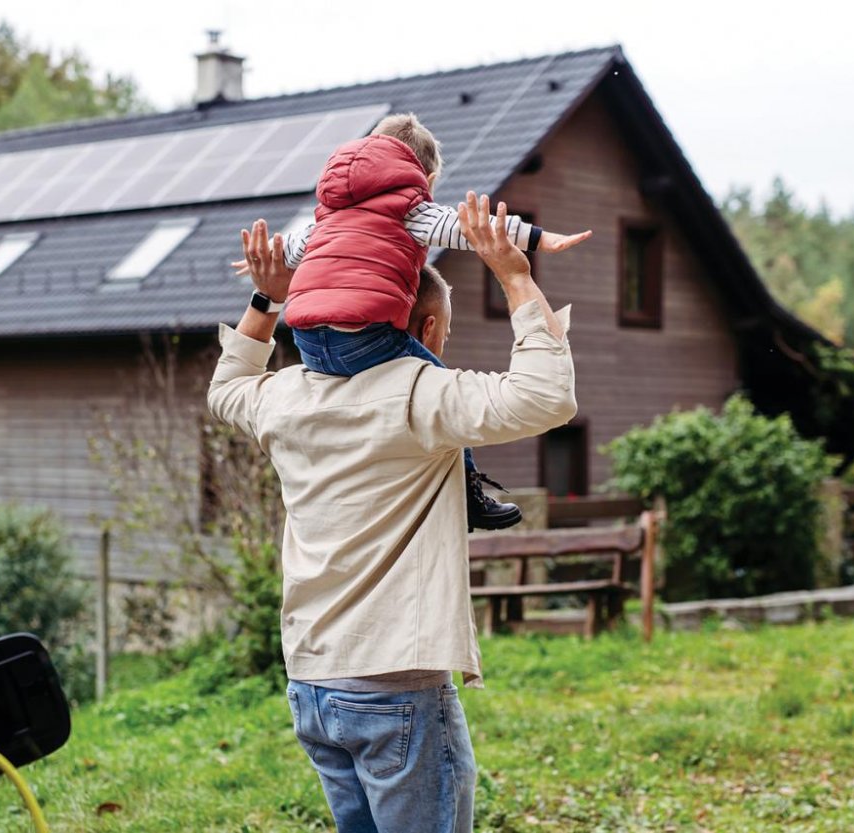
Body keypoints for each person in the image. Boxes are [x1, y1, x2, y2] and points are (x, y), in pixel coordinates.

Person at [208, 192, 577, 833]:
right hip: (395, 686)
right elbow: (545, 396)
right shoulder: (418, 395)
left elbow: (226, 388)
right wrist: (516, 276)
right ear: (427, 330)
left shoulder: (284, 398)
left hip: (313, 682)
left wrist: (267, 299)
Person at [235, 113, 590, 531]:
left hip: (308, 341)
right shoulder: (410, 210)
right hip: (364, 338)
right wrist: (537, 243)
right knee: (435, 373)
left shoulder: (324, 219)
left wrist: (266, 291)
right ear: (429, 178)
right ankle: (470, 488)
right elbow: (472, 229)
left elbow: (286, 250)